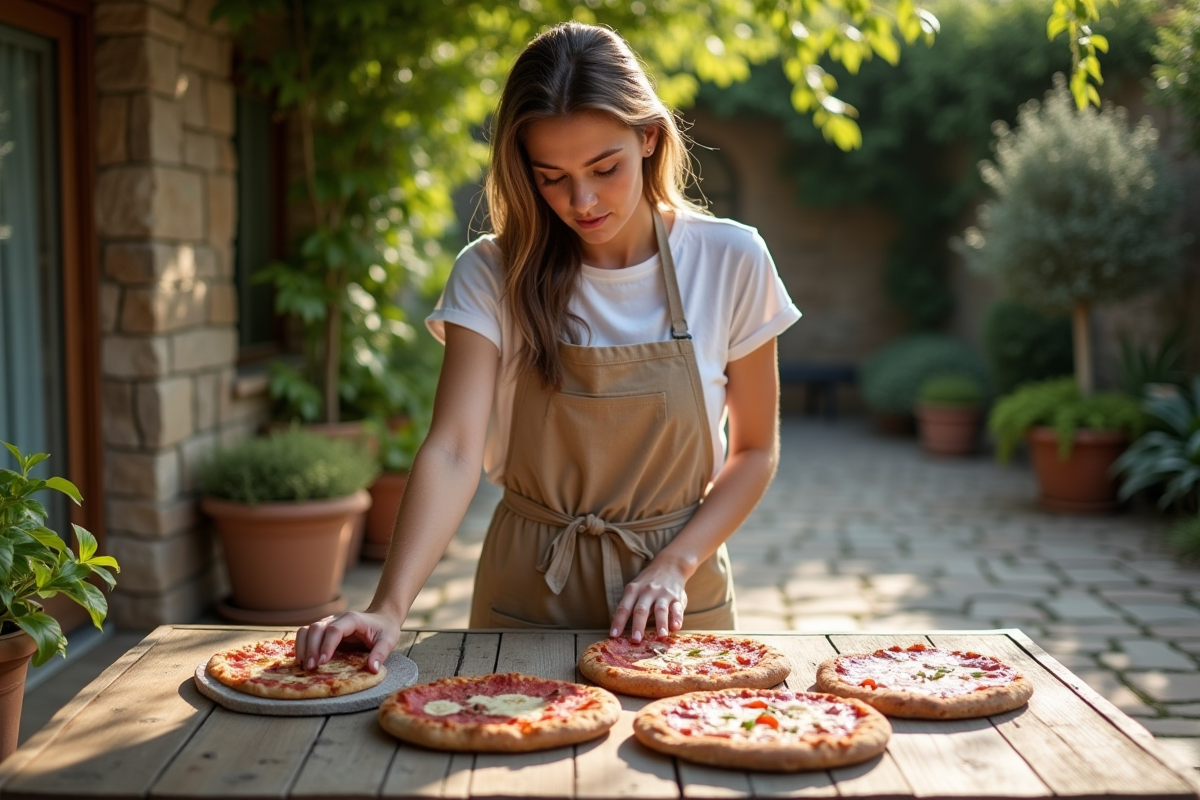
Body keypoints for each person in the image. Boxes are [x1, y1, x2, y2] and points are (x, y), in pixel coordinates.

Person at [295, 21, 800, 673]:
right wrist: (389, 607)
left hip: (676, 597)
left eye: (604, 168)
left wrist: (674, 565)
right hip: (526, 594)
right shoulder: (490, 271)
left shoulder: (732, 258)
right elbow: (453, 448)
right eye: (551, 176)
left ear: (648, 138)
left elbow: (756, 450)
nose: (581, 201)